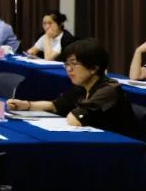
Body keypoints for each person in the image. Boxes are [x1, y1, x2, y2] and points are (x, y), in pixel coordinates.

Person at [8, 39, 141, 139]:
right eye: (66, 64)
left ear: (94, 68)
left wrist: (74, 114)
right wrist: (26, 105)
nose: (69, 69)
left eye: (74, 64)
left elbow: (75, 120)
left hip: (122, 148)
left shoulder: (109, 89)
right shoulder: (82, 86)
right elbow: (55, 105)